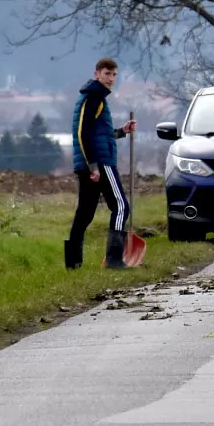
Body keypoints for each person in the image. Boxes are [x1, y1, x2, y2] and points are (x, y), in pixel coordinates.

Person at [64, 57, 137, 270]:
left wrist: (121, 132)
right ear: (97, 74)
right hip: (100, 163)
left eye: (114, 74)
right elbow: (82, 133)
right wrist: (94, 166)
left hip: (92, 162)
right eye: (107, 74)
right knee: (121, 206)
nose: (111, 79)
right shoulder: (94, 97)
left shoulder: (94, 97)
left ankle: (73, 265)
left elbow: (99, 134)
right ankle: (114, 259)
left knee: (85, 213)